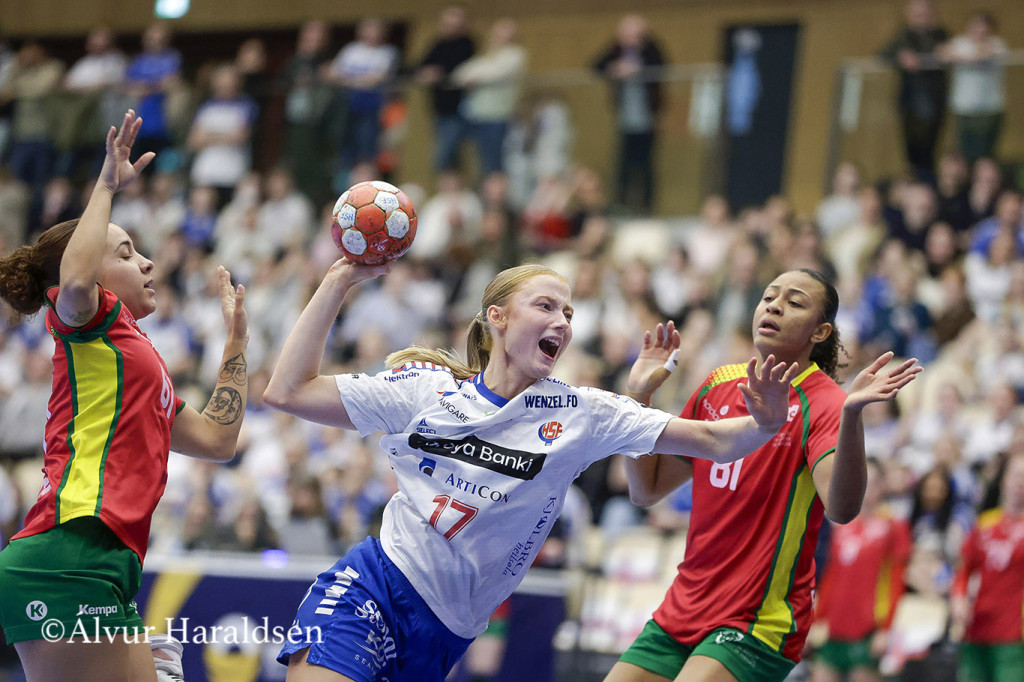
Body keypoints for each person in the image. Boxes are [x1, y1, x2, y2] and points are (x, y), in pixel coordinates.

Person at [263, 260, 803, 681]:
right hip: (373, 586)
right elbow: (287, 392)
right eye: (545, 306)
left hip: (446, 632)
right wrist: (339, 280)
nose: (562, 322)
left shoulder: (582, 413)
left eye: (568, 313)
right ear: (497, 317)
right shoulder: (426, 390)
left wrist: (766, 421)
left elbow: (715, 441)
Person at [0, 111, 250, 681]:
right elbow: (76, 280)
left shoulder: (134, 363)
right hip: (68, 555)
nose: (146, 261)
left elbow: (218, 440)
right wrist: (107, 185)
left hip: (104, 562)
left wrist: (236, 344)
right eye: (125, 253)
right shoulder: (86, 324)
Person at [604, 269, 921, 682]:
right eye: (769, 297)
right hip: (683, 607)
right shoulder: (717, 384)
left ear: (820, 331)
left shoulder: (826, 403)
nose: (774, 306)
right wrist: (638, 396)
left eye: (794, 301)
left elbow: (842, 510)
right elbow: (646, 489)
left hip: (758, 620)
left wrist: (851, 416)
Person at [811, 458, 912, 682]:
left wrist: (886, 629)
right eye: (860, 480)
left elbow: (896, 581)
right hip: (833, 627)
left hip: (868, 629)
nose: (866, 488)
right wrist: (816, 618)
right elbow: (831, 577)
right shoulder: (840, 524)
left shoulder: (893, 526)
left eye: (872, 482)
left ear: (882, 485)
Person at [950, 452, 1024, 682]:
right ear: (1004, 480)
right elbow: (964, 569)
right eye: (1016, 475)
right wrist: (959, 599)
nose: (1020, 482)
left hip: (1015, 634)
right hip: (977, 627)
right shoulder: (984, 524)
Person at [592, 14, 666, 214]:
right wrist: (614, 69)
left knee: (646, 165)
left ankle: (646, 208)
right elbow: (595, 66)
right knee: (624, 164)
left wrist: (637, 68)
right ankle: (621, 205)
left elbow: (662, 67)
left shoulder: (651, 49)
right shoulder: (615, 50)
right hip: (625, 119)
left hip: (647, 118)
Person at [879, 0, 949, 183]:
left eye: (925, 14)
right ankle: (917, 183)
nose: (922, 18)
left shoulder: (940, 34)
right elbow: (882, 55)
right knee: (912, 151)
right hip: (911, 104)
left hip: (935, 102)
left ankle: (927, 183)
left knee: (931, 148)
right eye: (918, 14)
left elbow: (953, 51)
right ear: (909, 16)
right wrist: (901, 58)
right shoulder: (903, 36)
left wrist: (946, 53)